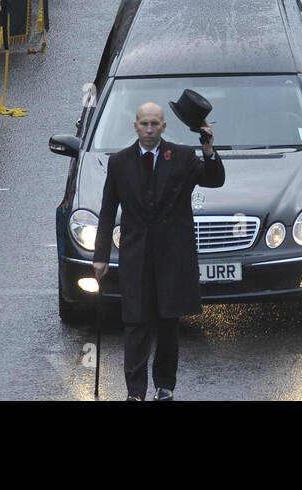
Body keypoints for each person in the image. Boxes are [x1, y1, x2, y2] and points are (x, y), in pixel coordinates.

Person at [92, 101, 224, 401]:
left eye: (155, 124)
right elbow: (108, 210)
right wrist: (100, 256)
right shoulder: (119, 162)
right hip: (136, 257)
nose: (149, 129)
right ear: (135, 126)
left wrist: (208, 148)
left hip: (172, 257)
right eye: (144, 124)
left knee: (167, 325)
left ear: (163, 127)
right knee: (136, 324)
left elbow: (215, 179)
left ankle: (165, 387)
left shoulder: (181, 157)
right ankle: (135, 392)